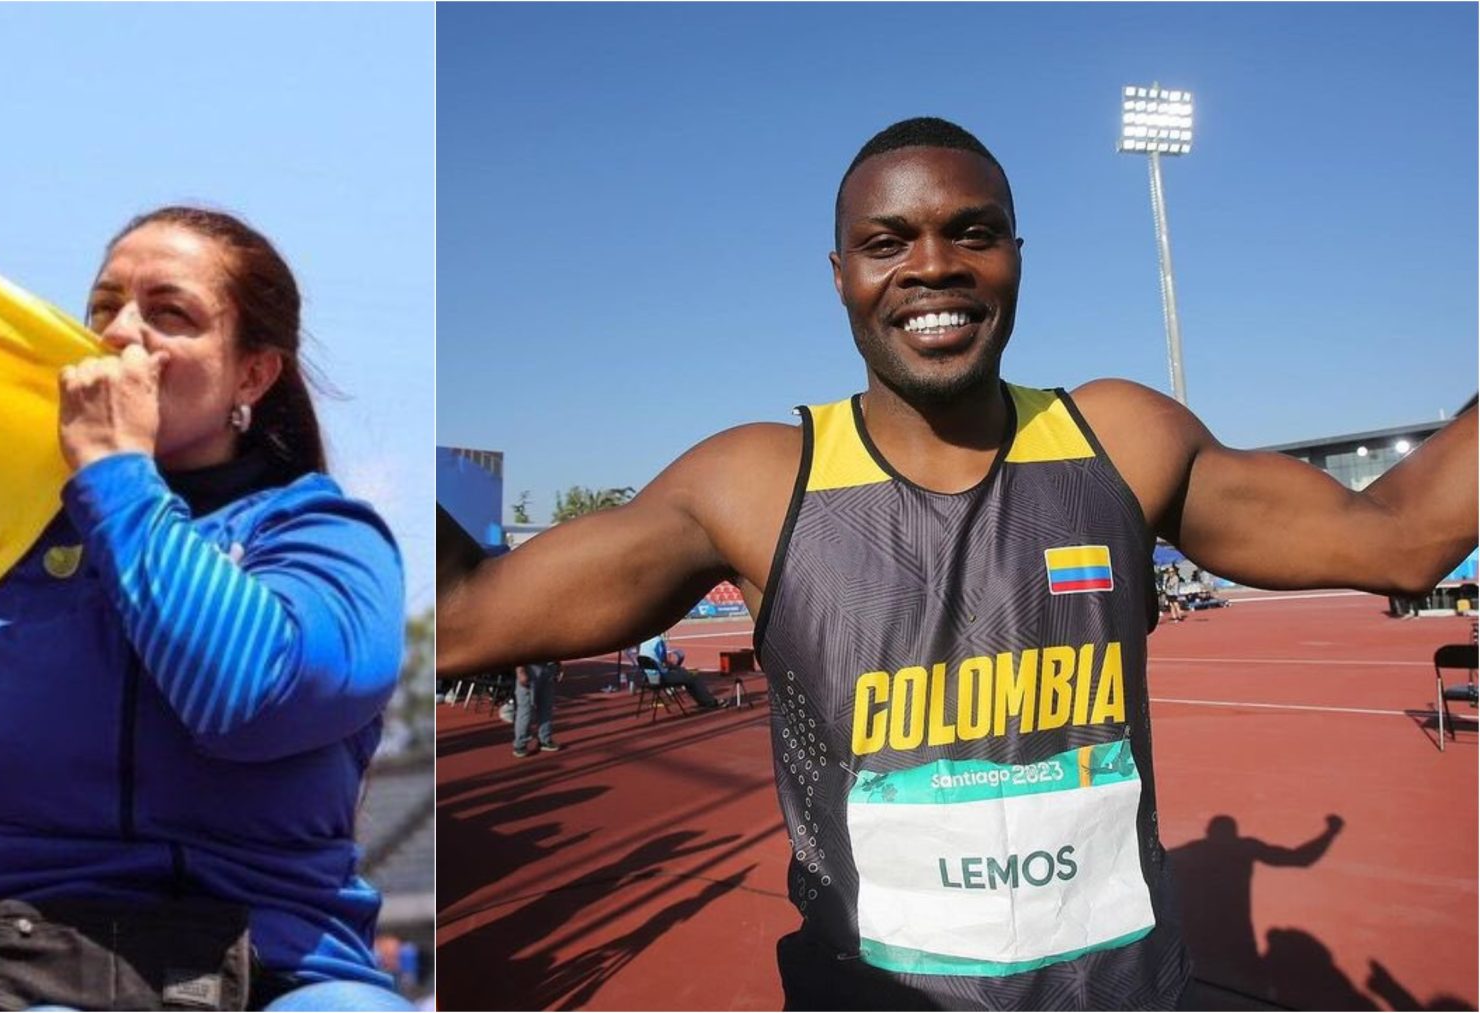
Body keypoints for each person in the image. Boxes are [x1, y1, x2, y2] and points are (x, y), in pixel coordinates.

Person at [435, 118, 1477, 1010]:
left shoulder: (1118, 439)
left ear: (1015, 255)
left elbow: (1401, 537)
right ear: (838, 273)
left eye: (968, 232)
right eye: (886, 240)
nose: (931, 264)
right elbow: (464, 617)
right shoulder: (753, 483)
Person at [0, 207, 411, 1012]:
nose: (122, 335)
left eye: (170, 314)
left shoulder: (329, 544)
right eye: (102, 307)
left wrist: (117, 476)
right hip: (7, 968)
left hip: (277, 970)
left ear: (252, 376)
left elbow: (243, 696)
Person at [637, 632, 724, 711]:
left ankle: (704, 701)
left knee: (686, 676)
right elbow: (664, 661)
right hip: (661, 678)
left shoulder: (644, 641)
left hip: (648, 678)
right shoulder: (658, 641)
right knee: (693, 677)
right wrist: (676, 668)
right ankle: (709, 702)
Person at [513, 660, 564, 756]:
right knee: (526, 709)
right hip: (530, 667)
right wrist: (520, 670)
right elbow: (519, 648)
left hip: (549, 666)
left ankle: (545, 739)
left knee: (546, 706)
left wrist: (558, 664)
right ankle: (520, 744)